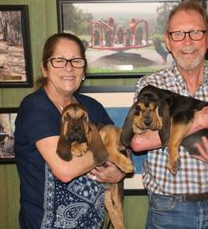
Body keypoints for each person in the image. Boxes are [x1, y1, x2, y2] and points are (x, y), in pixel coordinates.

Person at [130, 0, 208, 229]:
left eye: (196, 33)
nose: (187, 41)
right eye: (178, 34)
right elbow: (138, 142)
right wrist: (200, 120)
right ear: (168, 41)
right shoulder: (151, 85)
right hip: (167, 210)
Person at [14, 33, 125, 229]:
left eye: (76, 61)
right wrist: (106, 147)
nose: (69, 67)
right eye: (59, 60)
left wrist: (118, 171)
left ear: (83, 70)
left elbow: (123, 146)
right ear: (45, 68)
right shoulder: (35, 108)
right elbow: (65, 170)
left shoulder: (92, 107)